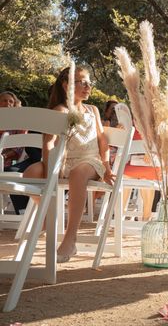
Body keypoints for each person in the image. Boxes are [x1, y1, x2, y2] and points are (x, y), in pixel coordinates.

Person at [23, 66, 115, 262]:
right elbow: (48, 142)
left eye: (89, 82)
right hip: (63, 160)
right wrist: (49, 171)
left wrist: (106, 166)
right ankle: (49, 214)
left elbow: (102, 140)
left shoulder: (93, 110)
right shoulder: (60, 110)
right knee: (30, 172)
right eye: (82, 82)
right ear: (66, 85)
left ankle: (70, 237)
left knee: (78, 174)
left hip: (89, 161)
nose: (88, 86)